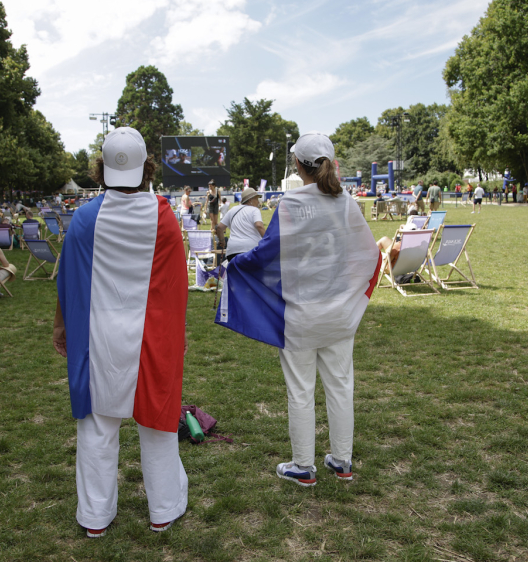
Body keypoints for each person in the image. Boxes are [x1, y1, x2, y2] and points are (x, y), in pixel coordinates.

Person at [215, 132, 381, 487]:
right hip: (339, 313)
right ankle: (342, 461)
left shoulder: (290, 205)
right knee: (340, 386)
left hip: (301, 314)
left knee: (301, 391)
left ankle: (304, 466)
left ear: (297, 165)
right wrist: (353, 295)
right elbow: (369, 253)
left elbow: (265, 254)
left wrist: (235, 266)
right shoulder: (347, 202)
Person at [54, 127, 188, 537]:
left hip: (98, 337)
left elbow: (68, 281)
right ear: (148, 168)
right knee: (158, 425)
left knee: (97, 426)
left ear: (101, 169)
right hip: (151, 335)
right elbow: (176, 285)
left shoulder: (84, 218)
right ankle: (163, 510)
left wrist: (60, 325)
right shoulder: (164, 218)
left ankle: (95, 517)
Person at [216, 187, 265, 261]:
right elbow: (259, 225)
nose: (258, 202)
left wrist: (222, 241)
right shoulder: (254, 210)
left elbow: (219, 228)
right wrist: (267, 240)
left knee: (236, 272)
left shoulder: (233, 210)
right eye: (256, 199)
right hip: (251, 250)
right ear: (250, 200)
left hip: (232, 251)